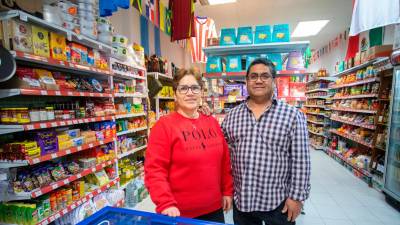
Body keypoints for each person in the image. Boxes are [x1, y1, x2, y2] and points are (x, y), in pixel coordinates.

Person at [221, 58, 311, 225]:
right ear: (247, 81)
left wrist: (296, 198)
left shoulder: (292, 115)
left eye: (265, 76)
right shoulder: (232, 116)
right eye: (253, 76)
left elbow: (301, 161)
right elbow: (221, 154)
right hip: (243, 201)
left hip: (278, 203)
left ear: (273, 80)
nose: (259, 80)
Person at [144, 68, 233, 223]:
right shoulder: (164, 126)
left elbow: (224, 161)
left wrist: (227, 191)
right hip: (178, 212)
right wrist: (165, 202)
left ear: (201, 92)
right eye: (183, 88)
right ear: (175, 95)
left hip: (214, 209)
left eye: (194, 88)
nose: (190, 93)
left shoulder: (211, 122)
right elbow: (154, 170)